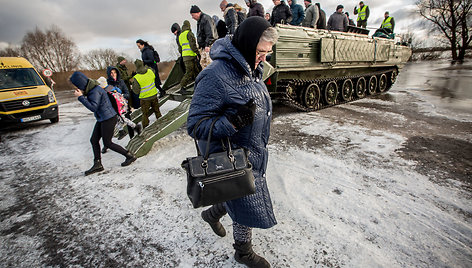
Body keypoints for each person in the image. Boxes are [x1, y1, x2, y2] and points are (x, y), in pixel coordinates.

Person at [187, 16, 279, 268]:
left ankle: (211, 214)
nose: (264, 58)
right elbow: (194, 125)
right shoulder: (215, 75)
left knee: (237, 192)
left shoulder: (251, 67)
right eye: (261, 52)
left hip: (253, 153)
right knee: (244, 202)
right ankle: (243, 252)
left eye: (267, 53)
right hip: (235, 157)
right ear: (248, 45)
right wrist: (234, 122)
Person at [70, 71, 137, 176]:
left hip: (108, 118)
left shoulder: (94, 91)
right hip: (102, 118)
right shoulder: (92, 88)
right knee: (94, 140)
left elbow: (93, 107)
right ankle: (97, 164)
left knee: (108, 143)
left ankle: (129, 156)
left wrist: (80, 97)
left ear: (81, 84)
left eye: (77, 85)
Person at [97, 76, 142, 141]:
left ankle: (135, 127)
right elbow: (119, 91)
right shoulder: (110, 87)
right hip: (120, 104)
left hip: (117, 106)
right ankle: (122, 131)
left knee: (122, 118)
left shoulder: (105, 91)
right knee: (118, 119)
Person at [132, 59, 162, 129]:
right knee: (157, 111)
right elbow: (154, 74)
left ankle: (145, 128)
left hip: (145, 99)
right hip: (154, 95)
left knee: (145, 115)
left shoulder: (137, 77)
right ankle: (161, 124)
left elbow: (136, 91)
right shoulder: (150, 71)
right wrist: (147, 67)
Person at [177, 20, 201, 94]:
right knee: (189, 72)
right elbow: (192, 45)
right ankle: (182, 87)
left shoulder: (180, 35)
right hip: (191, 55)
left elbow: (180, 48)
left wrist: (183, 54)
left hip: (185, 56)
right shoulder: (189, 33)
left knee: (196, 71)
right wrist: (197, 53)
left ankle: (199, 84)